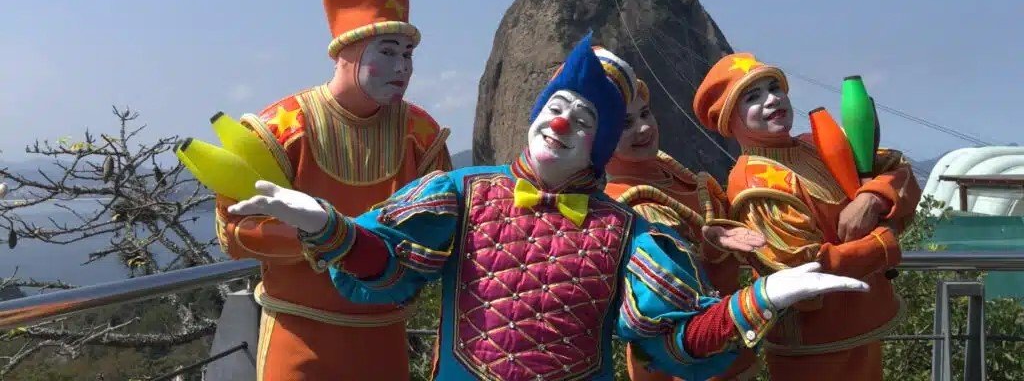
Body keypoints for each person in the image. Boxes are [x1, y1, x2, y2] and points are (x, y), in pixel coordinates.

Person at [228, 35, 871, 381]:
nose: (562, 122)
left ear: (598, 145)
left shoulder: (629, 231)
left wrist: (763, 296)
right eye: (557, 107)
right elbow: (390, 263)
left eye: (583, 119)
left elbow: (675, 339)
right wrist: (326, 224)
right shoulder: (462, 192)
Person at [213, 0, 453, 380]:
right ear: (346, 53)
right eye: (387, 52)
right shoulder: (281, 129)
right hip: (299, 335)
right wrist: (315, 237)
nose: (402, 67)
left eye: (408, 54)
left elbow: (443, 228)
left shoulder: (421, 135)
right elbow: (232, 231)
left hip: (384, 334)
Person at [693, 53, 921, 381]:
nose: (772, 99)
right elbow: (805, 268)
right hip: (815, 346)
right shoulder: (755, 181)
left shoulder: (814, 144)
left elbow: (900, 170)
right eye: (753, 97)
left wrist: (872, 197)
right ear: (730, 119)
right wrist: (884, 242)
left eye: (775, 88)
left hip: (861, 324)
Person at [604, 77, 759, 381]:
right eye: (625, 124)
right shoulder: (623, 205)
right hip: (685, 366)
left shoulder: (670, 172)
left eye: (645, 113)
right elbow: (673, 299)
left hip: (735, 346)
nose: (644, 128)